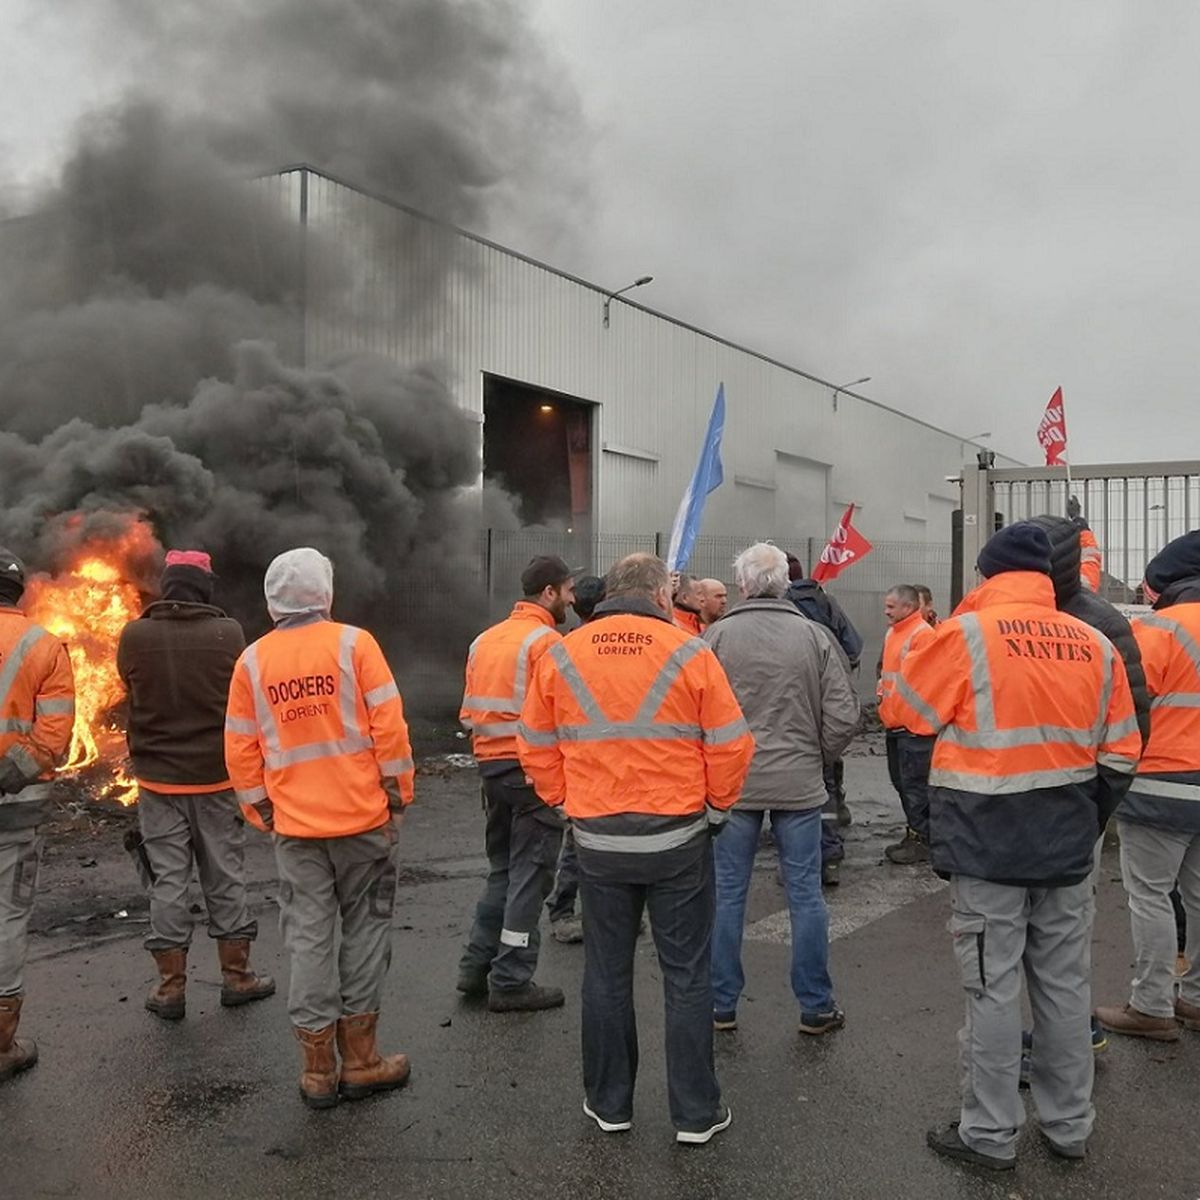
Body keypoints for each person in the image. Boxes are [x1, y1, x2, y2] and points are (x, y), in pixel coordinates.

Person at [894, 522, 1140, 1169]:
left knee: (992, 989)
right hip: (1065, 844)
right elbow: (1121, 754)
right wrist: (1084, 823)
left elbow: (907, 711)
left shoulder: (967, 634)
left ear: (987, 577)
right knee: (1063, 988)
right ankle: (1069, 1127)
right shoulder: (1093, 642)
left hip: (985, 844)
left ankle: (990, 1135)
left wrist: (968, 619)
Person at [518, 553, 754, 1145]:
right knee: (686, 975)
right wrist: (717, 810)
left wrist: (568, 802)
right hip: (678, 838)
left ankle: (610, 1104)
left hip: (598, 839)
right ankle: (696, 1113)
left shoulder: (561, 654)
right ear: (658, 596)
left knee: (606, 972)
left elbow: (534, 744)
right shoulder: (690, 652)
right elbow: (730, 745)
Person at [225, 548, 415, 1109]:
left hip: (296, 830)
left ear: (272, 601)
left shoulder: (253, 662)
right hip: (363, 824)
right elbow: (390, 728)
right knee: (365, 933)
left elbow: (240, 748)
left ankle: (315, 1072)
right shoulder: (356, 645)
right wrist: (398, 798)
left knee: (307, 938)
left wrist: (262, 812)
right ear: (325, 594)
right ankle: (360, 1061)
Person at [704, 544, 859, 1034]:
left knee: (728, 893)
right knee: (806, 896)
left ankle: (719, 1004)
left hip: (734, 784)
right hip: (799, 783)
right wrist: (818, 756)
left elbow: (691, 710)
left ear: (744, 585)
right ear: (785, 585)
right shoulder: (814, 637)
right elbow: (843, 715)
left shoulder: (717, 636)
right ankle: (816, 1005)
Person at [117, 550, 274, 1021]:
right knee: (224, 874)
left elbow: (127, 684)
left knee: (168, 881)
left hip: (158, 781)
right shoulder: (228, 634)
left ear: (169, 587)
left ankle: (169, 989)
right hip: (216, 777)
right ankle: (238, 978)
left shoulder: (133, 635)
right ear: (204, 588)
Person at [457, 555, 574, 1010]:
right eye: (566, 590)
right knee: (531, 877)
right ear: (548, 593)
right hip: (531, 774)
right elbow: (560, 713)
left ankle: (475, 966)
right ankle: (511, 978)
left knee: (503, 870)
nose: (570, 598)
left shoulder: (484, 640)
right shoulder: (546, 642)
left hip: (491, 770)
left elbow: (469, 713)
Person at [1095, 531, 1200, 1041]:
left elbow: (1123, 704)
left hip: (1163, 784)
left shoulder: (1161, 630)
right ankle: (1197, 999)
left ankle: (1152, 1005)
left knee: (1151, 896)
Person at [0, 548, 74, 1085]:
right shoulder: (44, 645)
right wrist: (9, 774)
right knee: (5, 916)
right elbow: (53, 735)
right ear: (21, 592)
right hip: (17, 808)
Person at [547, 574, 607, 944]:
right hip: (593, 763)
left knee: (582, 842)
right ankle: (565, 909)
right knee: (584, 845)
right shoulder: (580, 649)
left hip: (583, 762)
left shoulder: (568, 647)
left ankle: (573, 911)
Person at [786, 558, 862, 842]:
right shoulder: (826, 601)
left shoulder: (783, 606)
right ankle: (832, 840)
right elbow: (853, 645)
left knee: (800, 779)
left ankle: (806, 843)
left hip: (795, 702)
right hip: (829, 694)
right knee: (828, 768)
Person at [878, 585, 937, 866]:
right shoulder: (894, 633)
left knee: (915, 786)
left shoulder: (922, 635)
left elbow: (925, 685)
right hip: (898, 725)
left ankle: (922, 839)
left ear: (909, 608)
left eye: (891, 606)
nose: (886, 611)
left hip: (915, 728)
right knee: (903, 783)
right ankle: (917, 834)